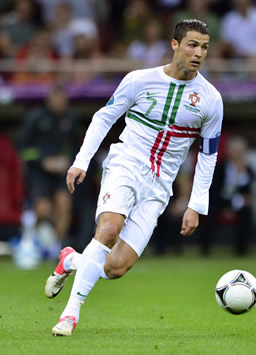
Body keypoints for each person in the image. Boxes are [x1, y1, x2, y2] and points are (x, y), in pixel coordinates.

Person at [44, 19, 223, 337]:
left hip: (160, 185)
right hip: (126, 164)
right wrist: (81, 161)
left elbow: (208, 155)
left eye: (205, 47)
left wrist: (196, 204)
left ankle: (71, 260)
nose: (198, 53)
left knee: (116, 267)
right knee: (109, 228)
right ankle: (70, 314)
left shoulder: (211, 100)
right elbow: (104, 117)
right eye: (192, 44)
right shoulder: (139, 81)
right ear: (175, 44)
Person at [18, 86, 78, 258]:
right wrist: (43, 162)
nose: (60, 103)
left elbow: (74, 146)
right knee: (43, 211)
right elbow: (23, 147)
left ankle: (56, 248)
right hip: (39, 172)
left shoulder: (70, 119)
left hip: (61, 173)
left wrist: (68, 161)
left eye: (63, 100)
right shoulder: (35, 118)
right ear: (49, 100)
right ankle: (32, 236)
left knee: (64, 205)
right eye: (57, 99)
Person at [200, 136, 254, 256]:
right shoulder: (218, 167)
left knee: (247, 212)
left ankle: (242, 249)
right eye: (236, 151)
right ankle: (206, 248)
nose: (238, 155)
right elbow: (214, 191)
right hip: (220, 201)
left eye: (241, 152)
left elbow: (248, 194)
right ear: (229, 151)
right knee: (210, 210)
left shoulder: (248, 170)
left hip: (238, 203)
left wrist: (241, 174)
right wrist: (234, 201)